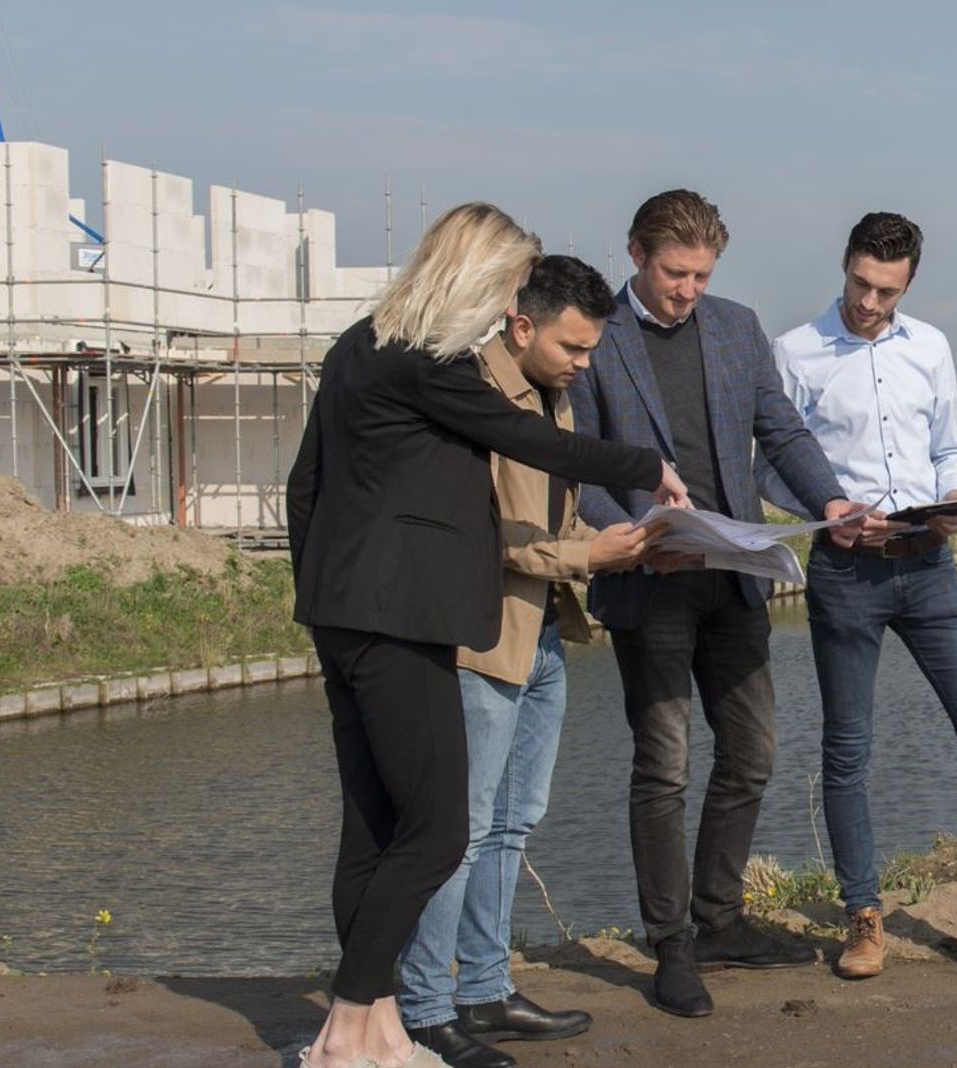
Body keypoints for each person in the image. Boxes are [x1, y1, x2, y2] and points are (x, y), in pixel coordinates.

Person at [286, 204, 685, 1068]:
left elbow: (303, 487)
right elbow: (526, 439)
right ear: (478, 277)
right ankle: (350, 1028)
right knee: (435, 832)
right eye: (509, 288)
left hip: (345, 616)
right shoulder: (428, 362)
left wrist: (313, 598)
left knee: (374, 832)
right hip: (403, 624)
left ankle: (375, 1022)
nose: (512, 308)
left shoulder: (358, 346)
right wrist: (647, 467)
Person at [568, 189, 864, 1017]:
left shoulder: (737, 326)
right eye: (675, 272)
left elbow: (783, 432)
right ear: (635, 254)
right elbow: (579, 467)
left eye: (701, 274)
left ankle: (720, 918)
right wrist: (628, 529)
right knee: (664, 767)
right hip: (648, 580)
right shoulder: (598, 336)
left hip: (732, 579)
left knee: (754, 753)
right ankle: (671, 950)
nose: (688, 289)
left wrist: (831, 501)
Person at [763, 212, 957, 985]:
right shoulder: (794, 353)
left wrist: (954, 493)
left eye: (885, 291)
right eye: (859, 284)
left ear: (909, 283)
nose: (868, 302)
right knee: (848, 752)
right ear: (845, 266)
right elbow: (766, 470)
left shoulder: (931, 348)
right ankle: (863, 917)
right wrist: (827, 510)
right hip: (846, 571)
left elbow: (950, 445)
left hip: (930, 568)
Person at [394, 256, 656, 1068]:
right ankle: (426, 1006)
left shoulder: (555, 397)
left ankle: (484, 987)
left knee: (514, 821)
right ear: (520, 325)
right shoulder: (470, 396)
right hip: (483, 637)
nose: (585, 363)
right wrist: (589, 555)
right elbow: (478, 536)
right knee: (460, 830)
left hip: (542, 631)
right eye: (574, 348)